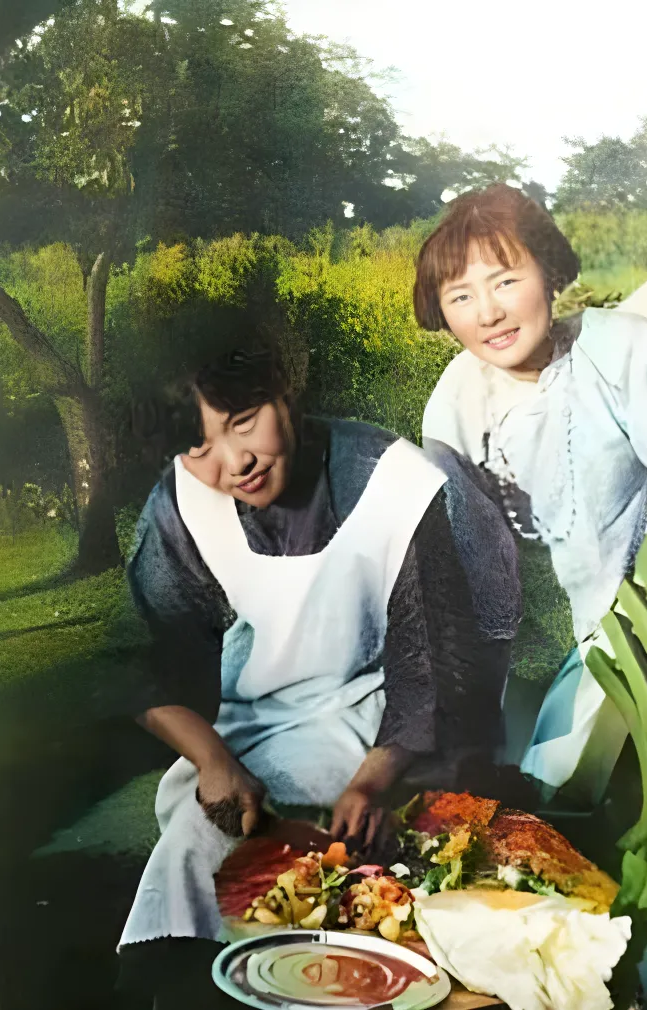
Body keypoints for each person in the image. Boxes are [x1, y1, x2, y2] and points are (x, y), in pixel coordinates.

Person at [118, 326, 521, 948]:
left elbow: (431, 665)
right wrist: (213, 761)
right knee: (197, 848)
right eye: (200, 446)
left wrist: (370, 784)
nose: (234, 461)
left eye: (244, 423)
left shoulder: (393, 482)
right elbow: (152, 667)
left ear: (285, 389)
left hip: (376, 717)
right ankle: (174, 973)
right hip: (247, 728)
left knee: (345, 873)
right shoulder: (181, 501)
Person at [415, 183, 647, 801]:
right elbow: (464, 576)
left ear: (550, 272)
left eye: (505, 281)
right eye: (462, 296)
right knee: (537, 783)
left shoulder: (619, 344)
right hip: (579, 639)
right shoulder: (454, 408)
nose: (488, 313)